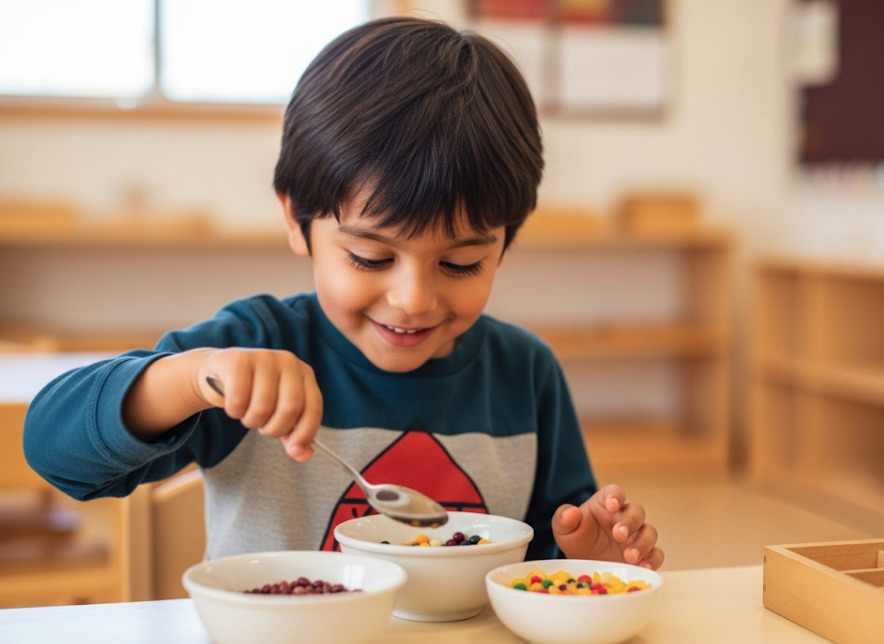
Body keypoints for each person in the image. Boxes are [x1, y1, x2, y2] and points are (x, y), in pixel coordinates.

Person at [23, 16, 663, 568]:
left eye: (462, 262)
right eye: (370, 256)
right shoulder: (254, 347)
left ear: (505, 241)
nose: (413, 298)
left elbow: (542, 557)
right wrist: (195, 380)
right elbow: (53, 450)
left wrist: (586, 556)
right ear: (296, 220)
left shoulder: (525, 375)